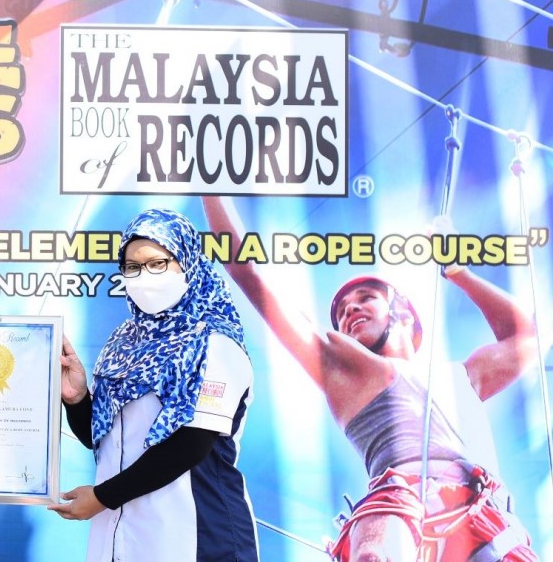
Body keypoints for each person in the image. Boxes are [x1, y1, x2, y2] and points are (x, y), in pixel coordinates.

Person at [202, 197, 538, 561]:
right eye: (343, 312)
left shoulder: (463, 377)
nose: (351, 311)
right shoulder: (346, 371)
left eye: (366, 298)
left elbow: (527, 337)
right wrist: (211, 187)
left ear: (405, 314)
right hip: (401, 510)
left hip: (483, 523)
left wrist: (459, 272)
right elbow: (246, 270)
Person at [49, 208, 260, 562]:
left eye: (157, 263)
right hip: (120, 538)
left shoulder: (214, 344)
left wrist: (101, 498)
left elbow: (190, 444)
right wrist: (77, 398)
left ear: (187, 264)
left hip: (199, 539)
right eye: (132, 266)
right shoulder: (124, 344)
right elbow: (102, 440)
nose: (143, 275)